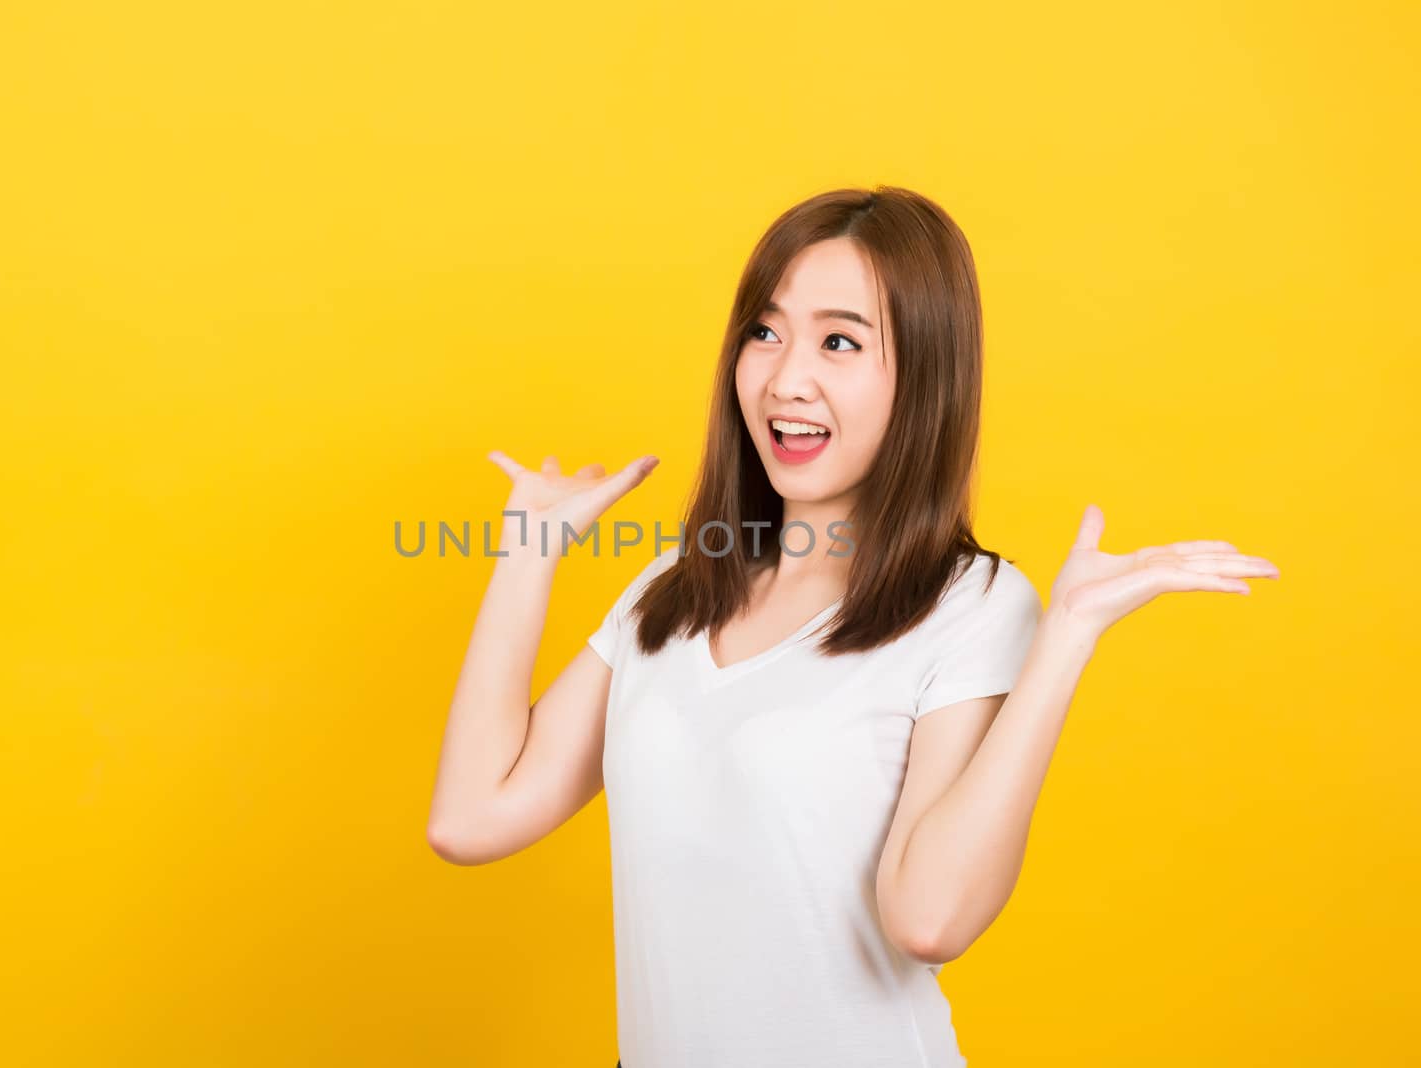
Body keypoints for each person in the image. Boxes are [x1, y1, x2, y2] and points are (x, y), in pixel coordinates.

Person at [425, 186, 1279, 1068]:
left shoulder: (972, 605)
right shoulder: (670, 597)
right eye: (765, 331)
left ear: (924, 374)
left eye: (840, 341)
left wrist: (1063, 639)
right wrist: (531, 548)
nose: (786, 378)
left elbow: (929, 918)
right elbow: (471, 819)